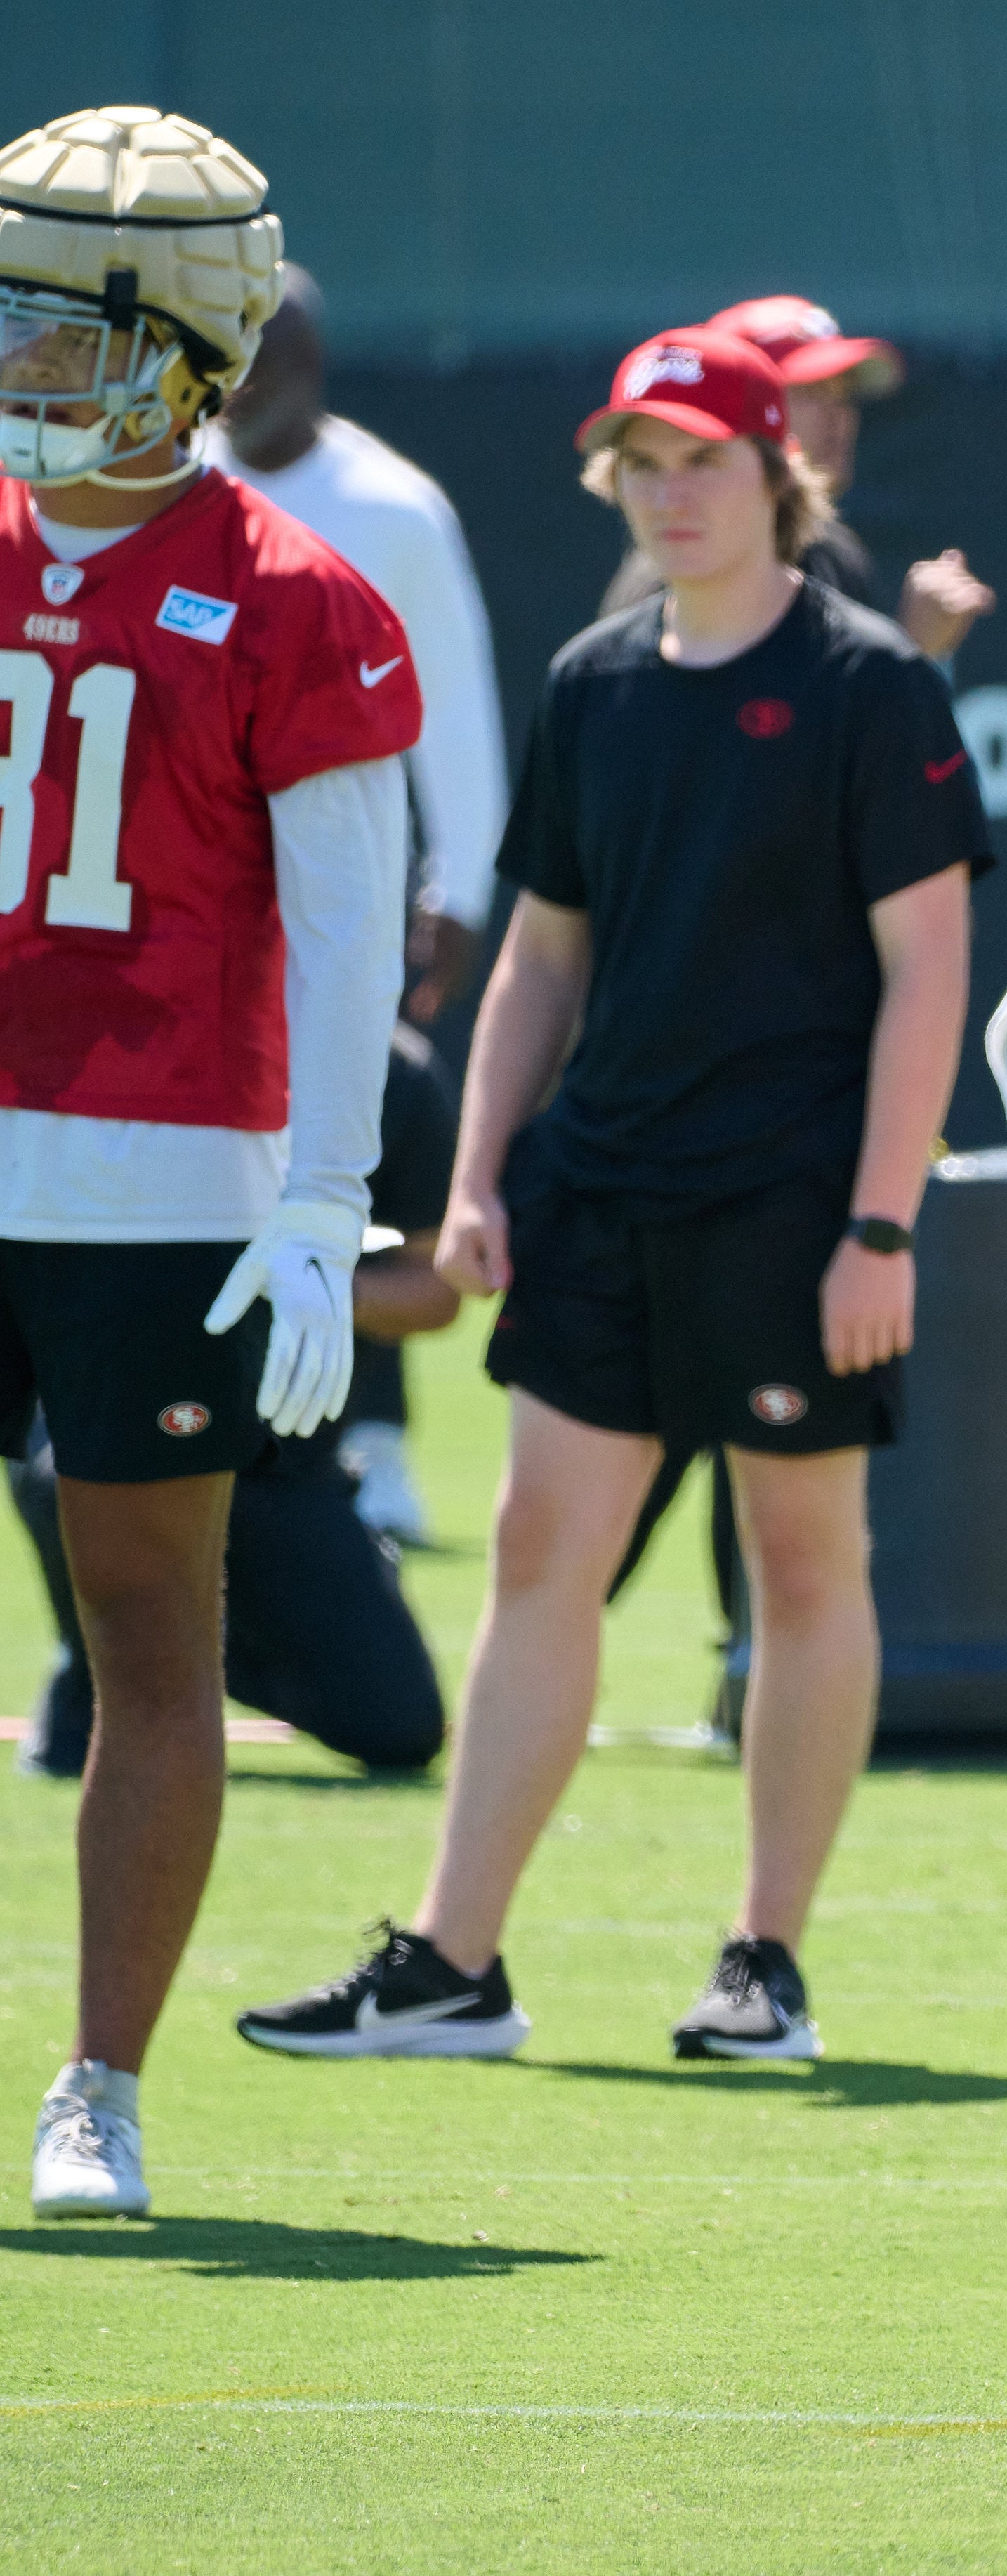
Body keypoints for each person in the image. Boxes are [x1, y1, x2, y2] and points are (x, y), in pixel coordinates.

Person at [235, 324, 981, 2069]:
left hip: (796, 1210)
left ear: (774, 471)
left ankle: (763, 1959)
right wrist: (481, 1169)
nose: (670, 494)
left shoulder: (874, 682)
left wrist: (881, 1224)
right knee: (534, 1553)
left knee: (801, 1562)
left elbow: (928, 975)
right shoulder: (592, 678)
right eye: (640, 467)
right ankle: (450, 1959)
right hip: (601, 1190)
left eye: (700, 460)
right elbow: (540, 960)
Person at [3, 107, 416, 2221]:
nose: (15, 359)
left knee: (152, 1628)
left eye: (56, 322)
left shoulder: (293, 596)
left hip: (153, 1176)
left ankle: (100, 2079)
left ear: (185, 343)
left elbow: (353, 928)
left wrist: (327, 1198)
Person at [206, 260, 504, 1548]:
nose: (243, 388)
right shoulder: (174, 489)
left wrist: (466, 884)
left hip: (343, 892)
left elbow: (459, 704)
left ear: (313, 364)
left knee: (348, 1148)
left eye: (267, 358)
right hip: (200, 903)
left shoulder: (388, 507)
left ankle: (369, 1445)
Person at [16, 1024, 461, 1779]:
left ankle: (200, 1642)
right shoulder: (143, 1040)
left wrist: (315, 1288)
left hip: (284, 1460)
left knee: (398, 1726)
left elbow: (437, 1289)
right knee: (63, 1476)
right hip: (126, 1428)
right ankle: (100, 1652)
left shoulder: (398, 1078)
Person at [595, 294, 994, 663]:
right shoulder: (667, 585)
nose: (838, 416)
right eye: (810, 391)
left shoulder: (837, 553)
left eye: (842, 394)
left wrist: (907, 657)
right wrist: (914, 652)